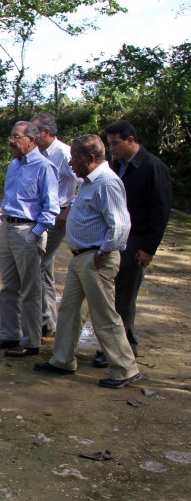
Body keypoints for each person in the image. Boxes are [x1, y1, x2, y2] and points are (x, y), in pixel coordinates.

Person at [33, 134, 140, 388]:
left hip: (96, 259)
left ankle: (125, 369)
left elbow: (120, 225)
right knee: (69, 311)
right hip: (82, 258)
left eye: (75, 158)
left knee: (104, 315)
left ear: (90, 157)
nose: (70, 164)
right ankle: (62, 360)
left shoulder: (107, 182)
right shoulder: (90, 182)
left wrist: (102, 255)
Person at [92, 120, 172, 367]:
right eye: (109, 144)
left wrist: (148, 249)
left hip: (136, 240)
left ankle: (123, 350)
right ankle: (115, 346)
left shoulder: (153, 167)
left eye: (116, 143)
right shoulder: (118, 166)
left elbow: (160, 212)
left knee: (124, 297)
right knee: (112, 294)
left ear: (131, 140)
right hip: (117, 237)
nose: (112, 148)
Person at [0, 121, 59, 357]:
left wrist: (35, 233)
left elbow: (51, 207)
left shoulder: (44, 167)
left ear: (31, 140)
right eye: (11, 136)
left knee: (30, 289)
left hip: (28, 231)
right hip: (8, 228)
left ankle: (31, 341)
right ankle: (10, 335)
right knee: (9, 287)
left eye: (16, 137)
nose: (12, 141)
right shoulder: (13, 165)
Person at [30, 113, 82, 338]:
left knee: (39, 265)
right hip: (40, 216)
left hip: (56, 216)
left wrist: (69, 210)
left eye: (35, 132)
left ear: (47, 132)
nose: (31, 136)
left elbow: (86, 182)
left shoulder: (64, 153)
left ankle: (45, 321)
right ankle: (47, 321)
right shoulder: (37, 152)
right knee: (45, 268)